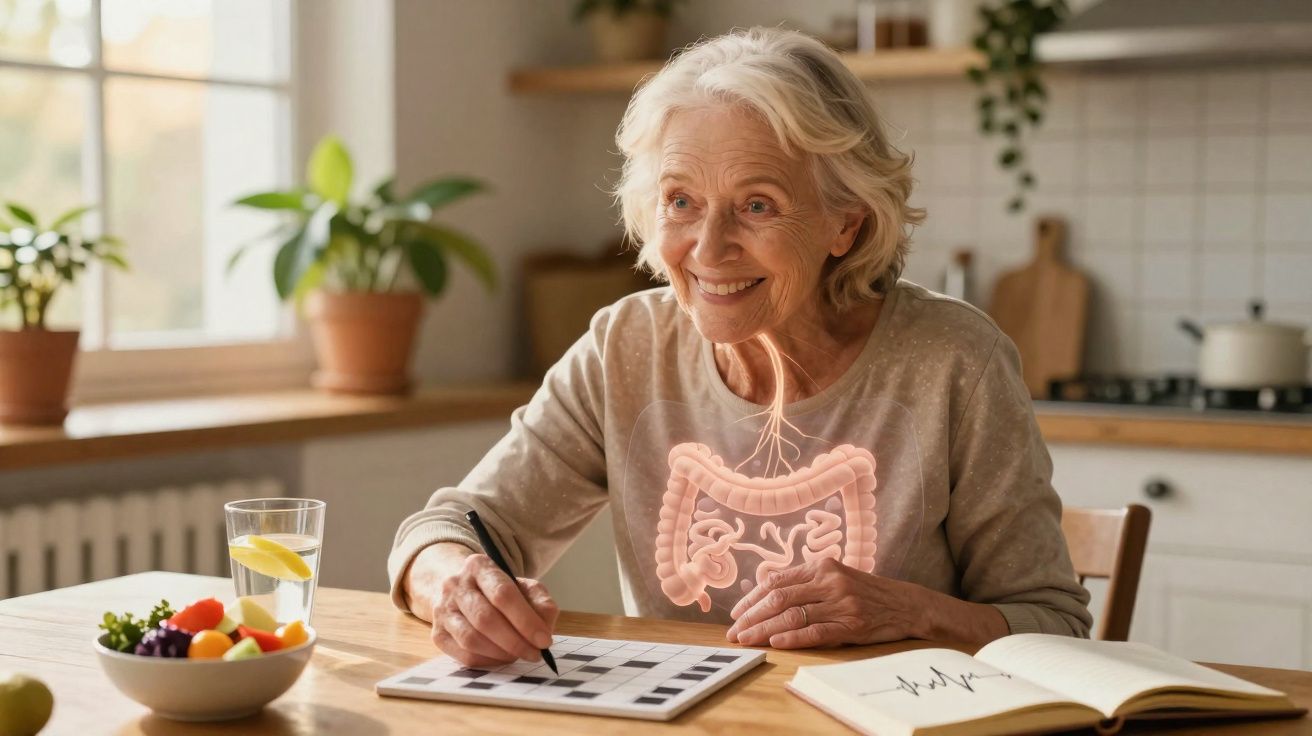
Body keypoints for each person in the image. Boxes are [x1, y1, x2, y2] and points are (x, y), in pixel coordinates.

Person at [389, 27, 1091, 668]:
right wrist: (454, 582)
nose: (709, 247)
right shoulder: (627, 345)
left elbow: (1053, 625)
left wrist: (912, 612)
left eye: (757, 205)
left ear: (843, 224)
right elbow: (448, 527)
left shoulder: (956, 361)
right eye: (680, 201)